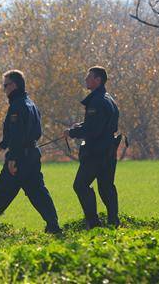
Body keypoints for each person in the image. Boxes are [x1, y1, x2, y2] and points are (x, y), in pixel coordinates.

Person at [0, 70, 62, 234]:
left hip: (19, 156)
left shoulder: (17, 106)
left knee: (1, 193)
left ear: (14, 85)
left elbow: (17, 135)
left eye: (5, 85)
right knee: (38, 193)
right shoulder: (30, 104)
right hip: (32, 155)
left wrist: (13, 158)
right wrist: (1, 146)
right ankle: (54, 226)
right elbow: (25, 133)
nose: (4, 89)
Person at [63, 66, 121, 229]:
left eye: (89, 77)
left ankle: (94, 223)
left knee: (80, 185)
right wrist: (80, 126)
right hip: (109, 150)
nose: (86, 80)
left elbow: (93, 130)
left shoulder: (96, 101)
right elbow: (98, 124)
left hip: (96, 152)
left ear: (98, 80)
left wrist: (72, 132)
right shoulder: (108, 98)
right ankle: (113, 221)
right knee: (106, 186)